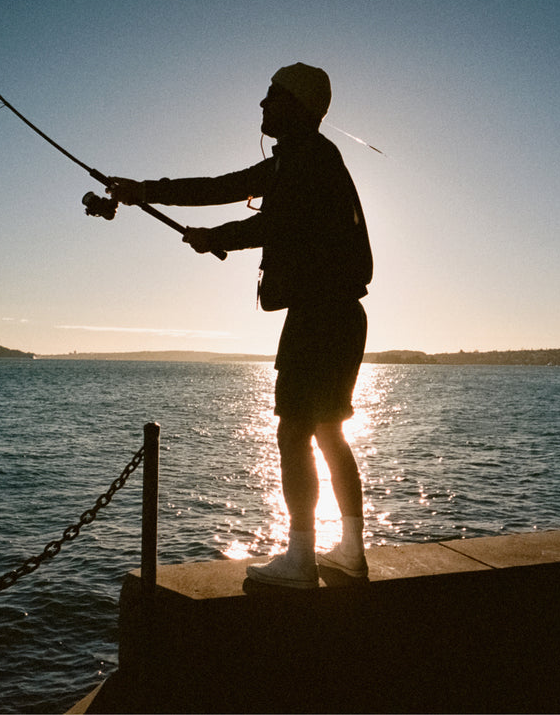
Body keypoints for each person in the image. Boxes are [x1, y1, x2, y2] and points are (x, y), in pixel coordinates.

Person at [107, 63, 372, 589]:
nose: (261, 105)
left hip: (320, 317)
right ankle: (351, 550)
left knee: (294, 430)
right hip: (339, 316)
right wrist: (145, 191)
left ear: (297, 106)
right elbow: (219, 186)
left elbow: (276, 222)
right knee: (328, 431)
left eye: (272, 97)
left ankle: (300, 558)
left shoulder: (308, 162)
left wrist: (217, 236)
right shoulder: (303, 160)